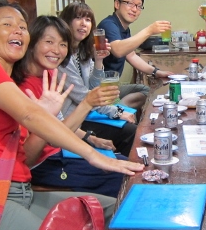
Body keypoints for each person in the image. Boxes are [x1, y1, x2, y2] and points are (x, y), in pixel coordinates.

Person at [0, 0, 143, 230]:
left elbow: (28, 156)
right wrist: (94, 155)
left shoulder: (14, 82)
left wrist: (49, 117)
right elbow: (29, 115)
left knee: (114, 209)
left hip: (19, 189)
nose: (18, 30)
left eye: (22, 26)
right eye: (7, 24)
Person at [17, 15, 125, 197]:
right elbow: (36, 150)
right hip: (43, 164)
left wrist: (91, 138)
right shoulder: (20, 88)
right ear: (32, 43)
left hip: (60, 151)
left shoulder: (49, 75)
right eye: (49, 42)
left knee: (125, 161)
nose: (56, 50)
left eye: (63, 44)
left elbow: (60, 125)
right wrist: (88, 102)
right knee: (122, 176)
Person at [59, 2, 138, 157]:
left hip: (86, 113)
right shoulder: (61, 56)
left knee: (132, 126)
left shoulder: (81, 52)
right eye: (78, 18)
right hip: (73, 121)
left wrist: (99, 61)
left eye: (88, 20)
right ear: (66, 22)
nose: (84, 24)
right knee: (130, 132)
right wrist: (117, 112)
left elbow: (94, 87)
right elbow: (84, 96)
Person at [98, 0, 173, 105]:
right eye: (130, 3)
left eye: (139, 6)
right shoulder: (108, 24)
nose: (134, 9)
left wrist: (156, 72)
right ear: (117, 4)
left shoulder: (124, 28)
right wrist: (149, 30)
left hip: (112, 86)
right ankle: (115, 111)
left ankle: (117, 109)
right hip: (99, 88)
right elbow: (118, 50)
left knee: (147, 91)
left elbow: (131, 55)